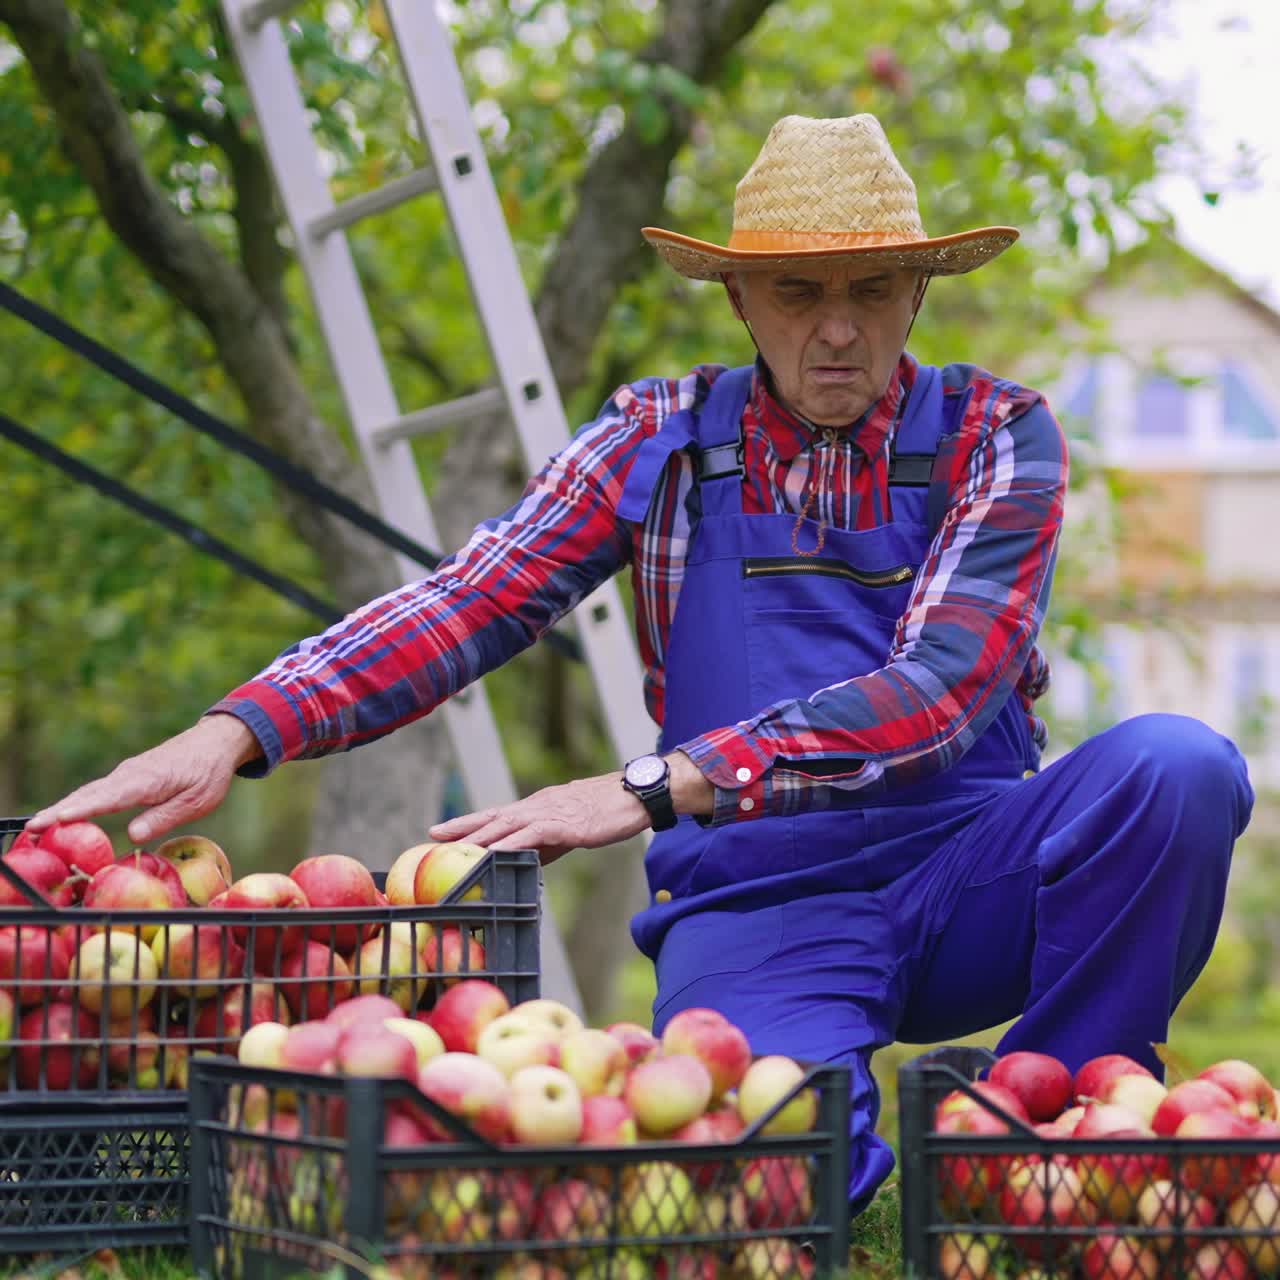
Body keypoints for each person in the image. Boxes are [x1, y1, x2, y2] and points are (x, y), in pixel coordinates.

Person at [25, 114, 1253, 1211]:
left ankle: (1053, 1132)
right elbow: (471, 599)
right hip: (759, 908)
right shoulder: (657, 438)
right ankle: (863, 1131)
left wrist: (656, 781)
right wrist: (243, 725)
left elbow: (939, 690)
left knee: (1176, 767)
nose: (835, 327)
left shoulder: (996, 432)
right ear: (737, 299)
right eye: (795, 292)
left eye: (870, 289)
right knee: (784, 1177)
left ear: (915, 294)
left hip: (964, 874)